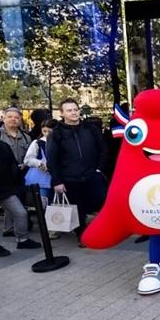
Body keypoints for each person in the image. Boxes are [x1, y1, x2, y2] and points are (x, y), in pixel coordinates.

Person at [46, 99, 108, 244]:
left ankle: (99, 229)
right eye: (69, 110)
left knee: (101, 201)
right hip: (70, 178)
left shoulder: (91, 129)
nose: (73, 113)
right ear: (62, 113)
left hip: (92, 175)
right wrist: (57, 181)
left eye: (75, 109)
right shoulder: (56, 133)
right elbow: (52, 159)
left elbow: (103, 149)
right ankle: (82, 236)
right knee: (77, 209)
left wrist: (99, 169)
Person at [0, 139, 40, 250]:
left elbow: (12, 164)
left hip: (5, 189)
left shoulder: (3, 145)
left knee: (21, 213)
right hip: (4, 188)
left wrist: (16, 175)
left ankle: (23, 240)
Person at [0, 106, 32, 238]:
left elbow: (30, 155)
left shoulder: (26, 137)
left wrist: (25, 164)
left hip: (19, 175)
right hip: (2, 177)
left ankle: (10, 228)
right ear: (3, 118)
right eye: (10, 117)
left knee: (15, 200)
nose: (13, 119)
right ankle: (10, 228)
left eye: (16, 117)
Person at [24, 119, 58, 239]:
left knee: (56, 203)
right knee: (43, 204)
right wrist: (40, 163)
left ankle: (55, 227)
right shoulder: (37, 143)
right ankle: (47, 228)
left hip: (57, 178)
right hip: (41, 178)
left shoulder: (61, 142)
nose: (47, 133)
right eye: (44, 130)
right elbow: (28, 159)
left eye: (50, 131)